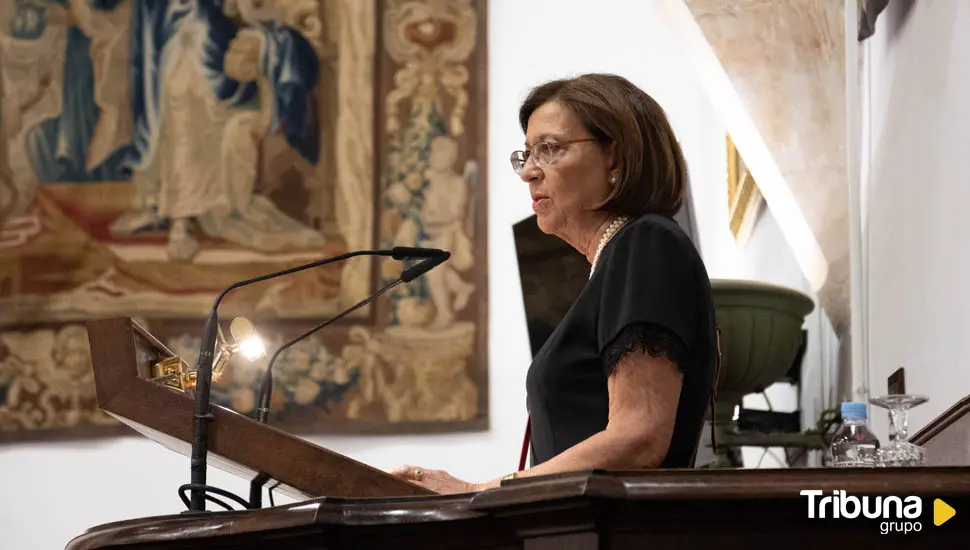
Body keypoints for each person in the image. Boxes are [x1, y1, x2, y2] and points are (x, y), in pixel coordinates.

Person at [390, 73, 719, 493]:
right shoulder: (615, 260)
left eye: (549, 149)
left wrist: (477, 492)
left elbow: (638, 437)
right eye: (526, 154)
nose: (528, 172)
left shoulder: (647, 242)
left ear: (615, 159)